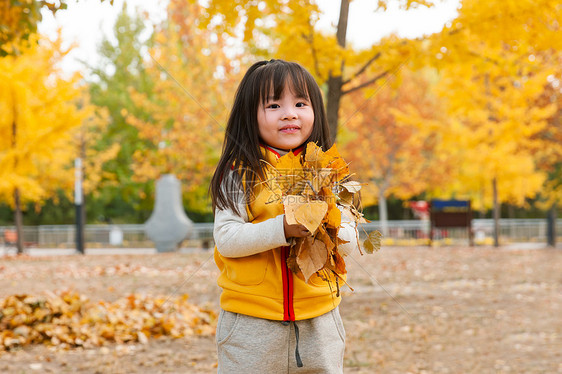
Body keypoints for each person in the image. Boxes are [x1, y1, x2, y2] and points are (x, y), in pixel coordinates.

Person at [210, 59, 358, 373]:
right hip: (251, 321)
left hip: (319, 318)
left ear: (315, 112)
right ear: (250, 116)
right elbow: (227, 240)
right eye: (274, 104)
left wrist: (334, 229)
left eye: (300, 103)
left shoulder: (327, 172)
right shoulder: (240, 174)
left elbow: (349, 239)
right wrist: (284, 228)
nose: (289, 113)